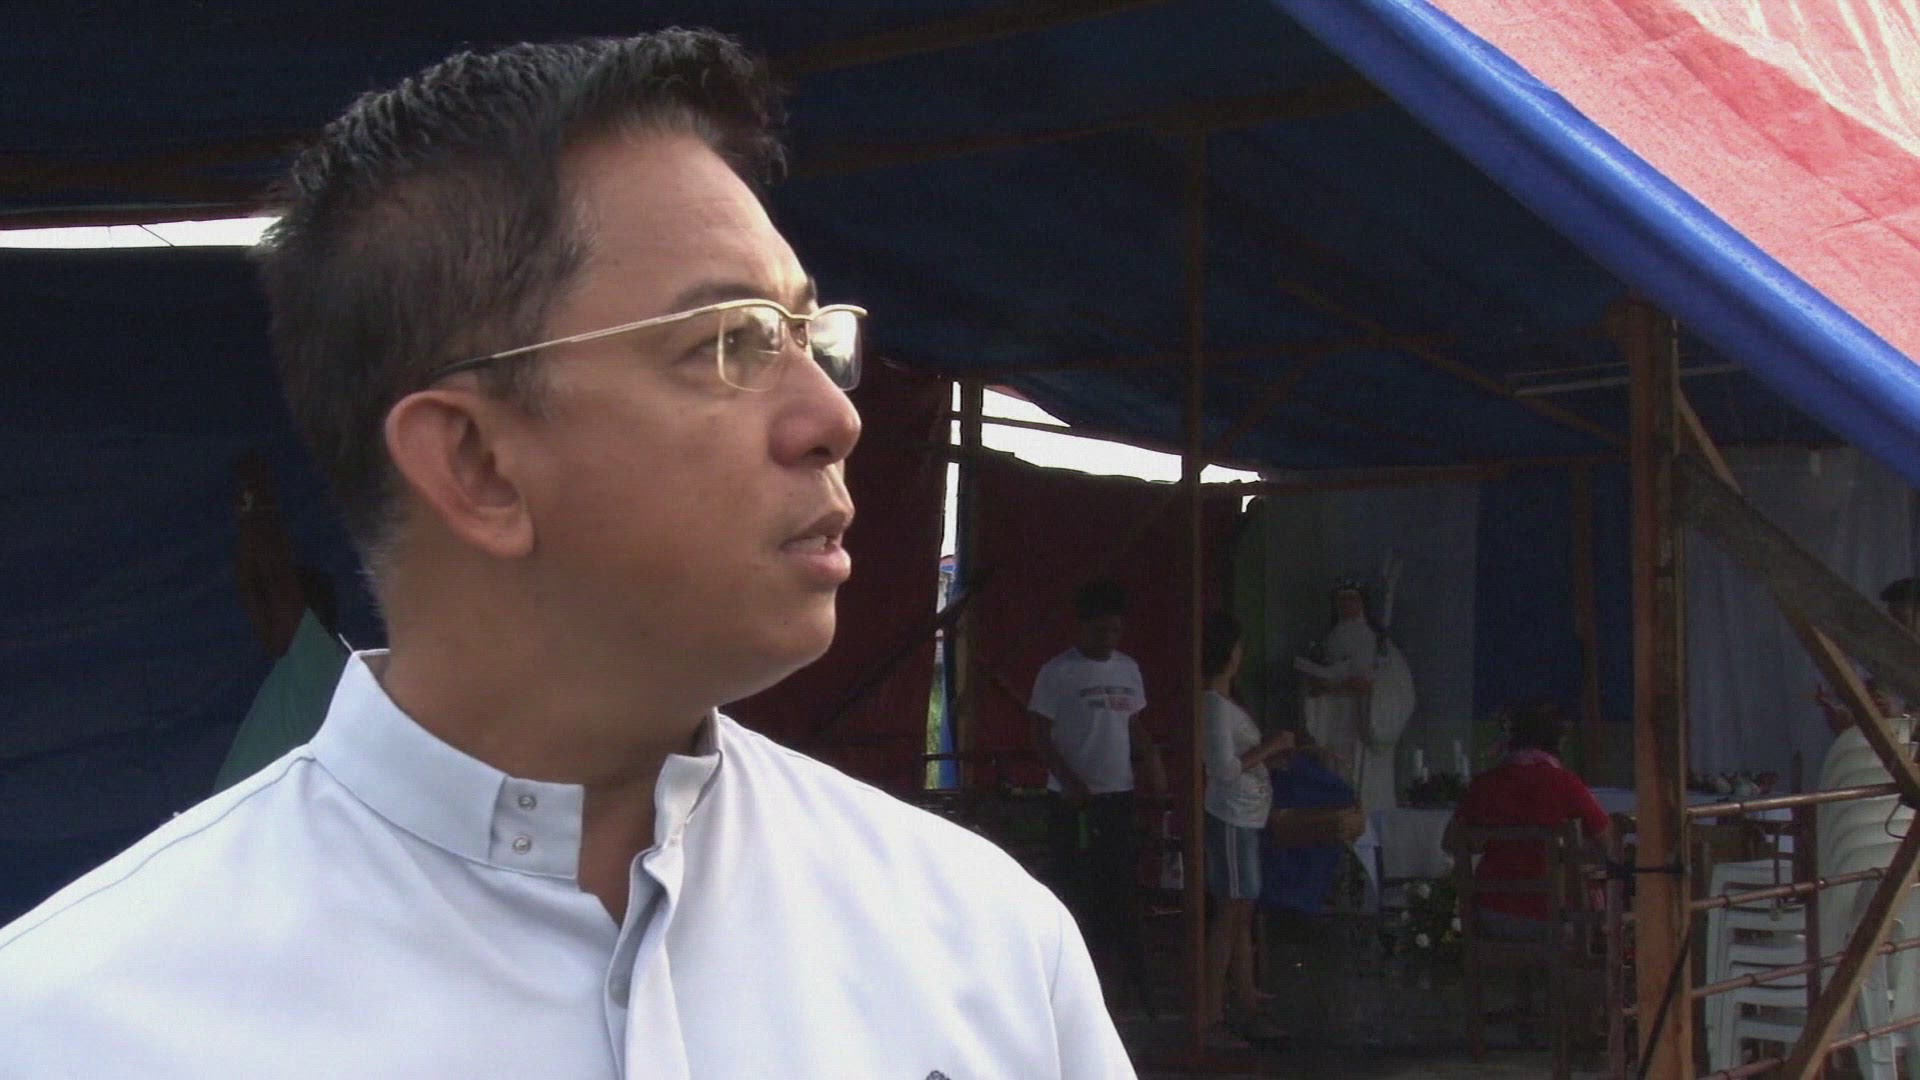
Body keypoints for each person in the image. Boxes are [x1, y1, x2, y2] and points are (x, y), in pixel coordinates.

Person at [0, 32, 1132, 1078]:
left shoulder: (980, 945)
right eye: (731, 342)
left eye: (811, 337)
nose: (833, 417)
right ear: (477, 463)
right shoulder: (84, 1025)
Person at [1029, 579, 1168, 1012]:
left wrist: (1152, 762)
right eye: (1100, 631)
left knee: (1121, 890)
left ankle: (1130, 987)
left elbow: (1133, 725)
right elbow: (1039, 733)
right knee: (1075, 890)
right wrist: (1068, 780)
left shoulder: (1128, 669)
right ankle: (1071, 988)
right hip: (1072, 800)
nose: (1108, 639)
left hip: (1118, 794)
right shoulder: (1058, 672)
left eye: (1115, 631)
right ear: (1082, 628)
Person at [1199, 611, 1293, 1041]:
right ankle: (1211, 1010)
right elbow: (1223, 768)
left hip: (1246, 816)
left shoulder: (1225, 703)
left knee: (1241, 911)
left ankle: (1245, 996)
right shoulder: (1214, 705)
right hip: (1232, 817)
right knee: (1232, 910)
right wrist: (1270, 747)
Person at [1447, 701, 1610, 938]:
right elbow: (1608, 842)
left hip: (1492, 914)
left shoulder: (1484, 785)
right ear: (1556, 743)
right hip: (1552, 918)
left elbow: (1450, 842)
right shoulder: (1565, 784)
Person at [1297, 580, 1413, 808]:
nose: (1346, 604)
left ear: (1363, 603)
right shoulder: (1327, 643)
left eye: (1351, 599)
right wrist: (1318, 688)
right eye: (1341, 600)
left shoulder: (1379, 645)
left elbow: (1399, 688)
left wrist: (1375, 690)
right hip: (1334, 726)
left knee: (1365, 795)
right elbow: (1312, 684)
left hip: (1365, 727)